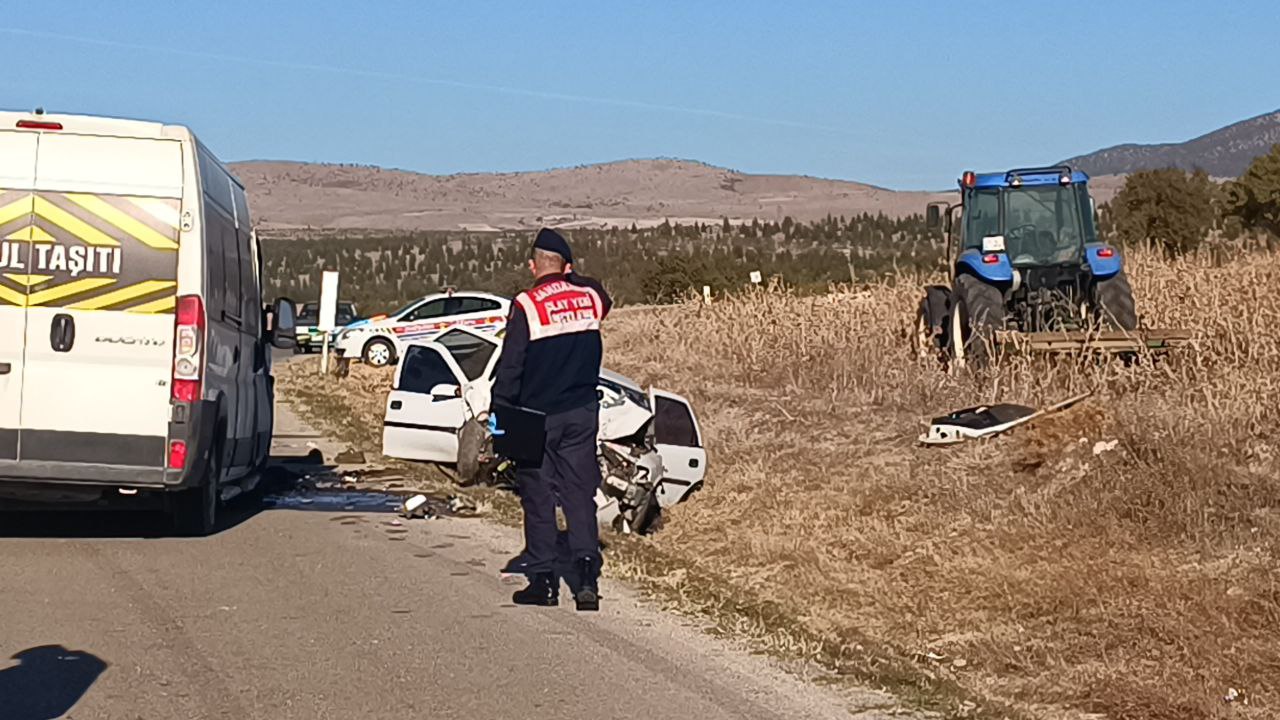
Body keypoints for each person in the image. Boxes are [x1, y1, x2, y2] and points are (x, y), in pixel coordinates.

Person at [490, 228, 611, 611]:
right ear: (567, 265)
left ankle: (542, 583)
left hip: (536, 417)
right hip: (581, 412)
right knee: (579, 495)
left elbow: (511, 366)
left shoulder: (526, 304)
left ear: (532, 265)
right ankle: (587, 578)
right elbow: (600, 290)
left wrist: (500, 416)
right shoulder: (590, 297)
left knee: (539, 498)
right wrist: (569, 275)